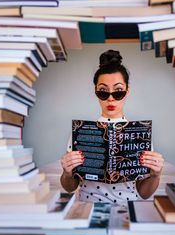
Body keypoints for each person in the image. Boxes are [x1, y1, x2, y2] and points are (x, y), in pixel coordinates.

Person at [60, 49, 164, 205]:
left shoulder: (140, 134)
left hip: (126, 207)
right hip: (88, 206)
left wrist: (156, 175)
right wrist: (67, 173)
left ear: (127, 91)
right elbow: (69, 187)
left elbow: (143, 193)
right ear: (96, 92)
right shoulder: (80, 133)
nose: (110, 99)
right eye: (103, 92)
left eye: (118, 92)